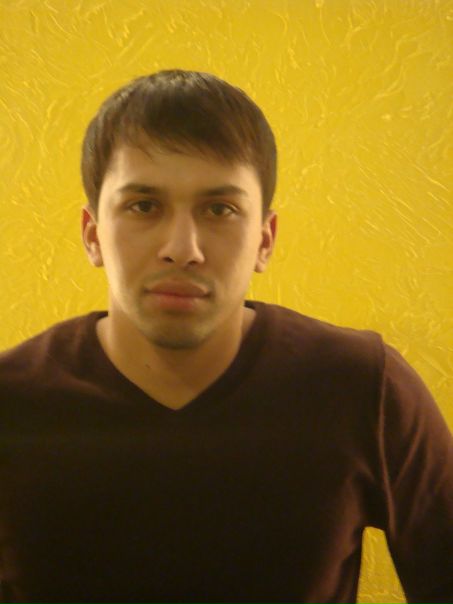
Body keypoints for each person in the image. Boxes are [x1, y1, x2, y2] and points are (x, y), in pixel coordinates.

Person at [0, 69, 452, 604]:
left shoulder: (364, 387)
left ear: (265, 240)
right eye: (143, 206)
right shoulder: (13, 402)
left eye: (220, 210)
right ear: (92, 234)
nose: (182, 248)